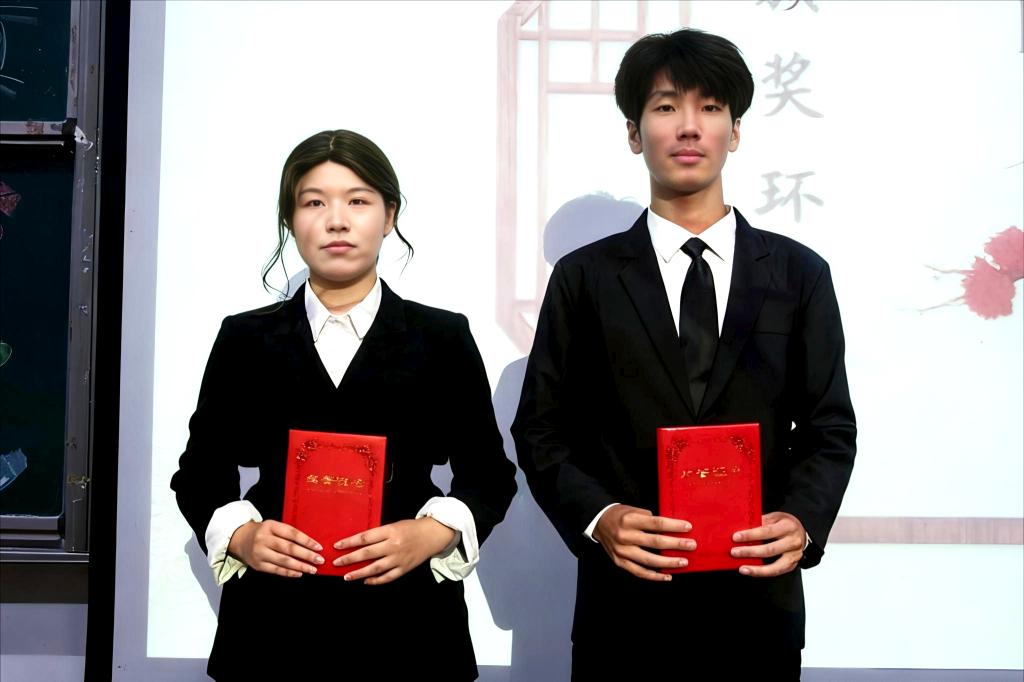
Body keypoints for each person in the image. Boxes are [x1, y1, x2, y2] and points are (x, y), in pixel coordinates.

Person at [511, 29, 856, 679]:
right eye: (666, 106)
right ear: (634, 133)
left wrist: (803, 520)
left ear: (736, 130)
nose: (689, 126)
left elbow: (828, 426)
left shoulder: (798, 274)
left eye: (711, 107)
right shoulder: (584, 278)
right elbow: (541, 427)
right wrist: (600, 517)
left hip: (759, 605)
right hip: (624, 611)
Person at [171, 130, 516, 681]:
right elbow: (199, 473)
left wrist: (430, 534)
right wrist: (243, 537)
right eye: (314, 203)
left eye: (358, 201)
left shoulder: (441, 337)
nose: (336, 221)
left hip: (410, 624)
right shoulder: (246, 338)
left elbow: (490, 476)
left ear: (389, 214)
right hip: (272, 623)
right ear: (290, 220)